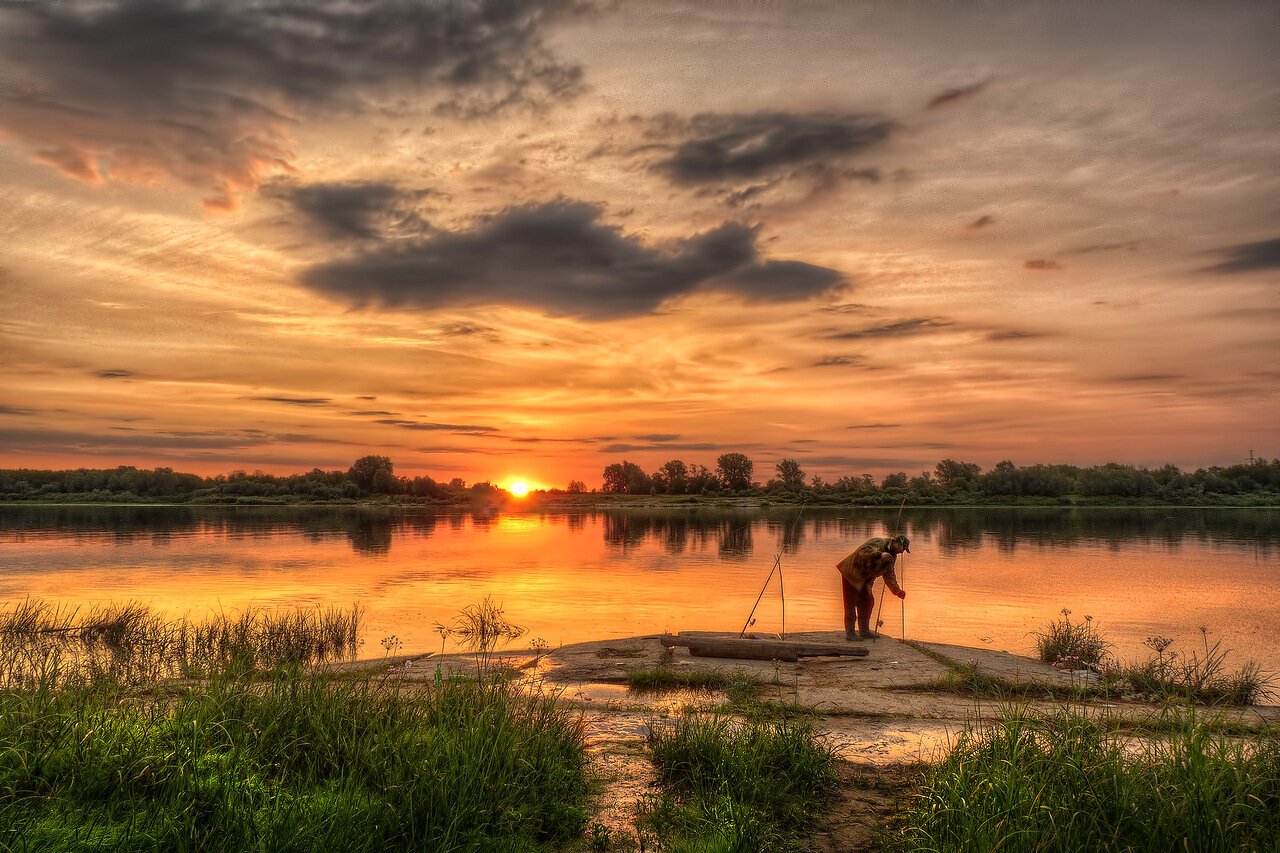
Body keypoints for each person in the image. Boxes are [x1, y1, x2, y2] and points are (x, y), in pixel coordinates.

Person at [836, 534, 908, 640]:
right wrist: (879, 555)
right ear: (896, 542)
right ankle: (850, 633)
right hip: (852, 572)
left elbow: (889, 575)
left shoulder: (892, 557)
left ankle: (864, 631)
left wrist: (897, 591)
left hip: (865, 579)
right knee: (850, 602)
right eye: (902, 548)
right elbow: (863, 552)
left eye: (904, 550)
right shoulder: (879, 542)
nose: (902, 551)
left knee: (868, 602)